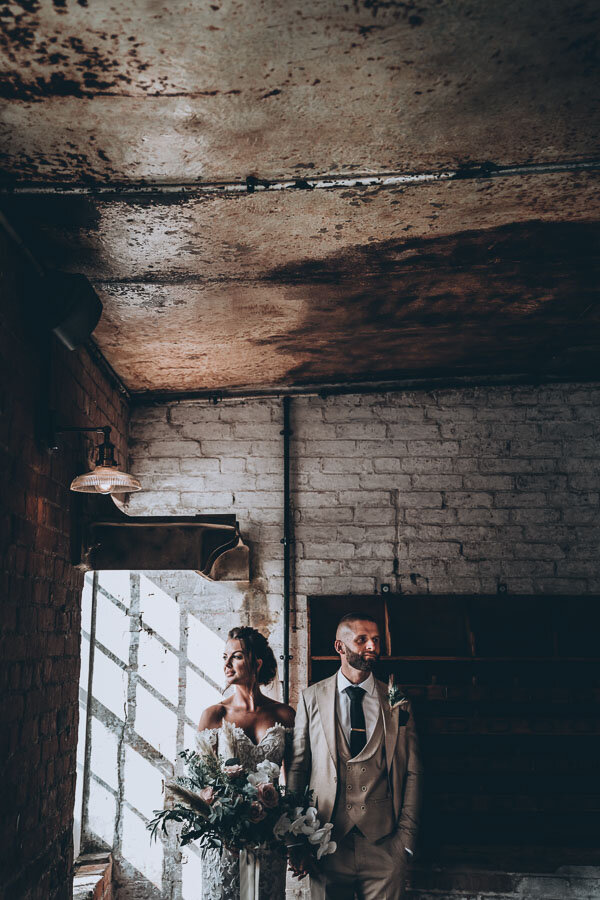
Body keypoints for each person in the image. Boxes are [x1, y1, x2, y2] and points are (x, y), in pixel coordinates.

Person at [287, 612, 422, 899]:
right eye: (362, 640)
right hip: (326, 841)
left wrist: (405, 841)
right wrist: (296, 839)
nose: (372, 646)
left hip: (385, 846)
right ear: (340, 647)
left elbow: (412, 772)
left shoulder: (397, 700)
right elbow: (298, 768)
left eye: (375, 640)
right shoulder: (311, 698)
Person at [198, 625, 295, 900]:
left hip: (270, 838)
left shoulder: (285, 715)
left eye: (236, 657)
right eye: (225, 657)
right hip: (226, 840)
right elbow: (203, 782)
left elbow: (296, 778)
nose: (227, 664)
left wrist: (291, 833)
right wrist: (224, 823)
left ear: (256, 662)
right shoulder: (214, 715)